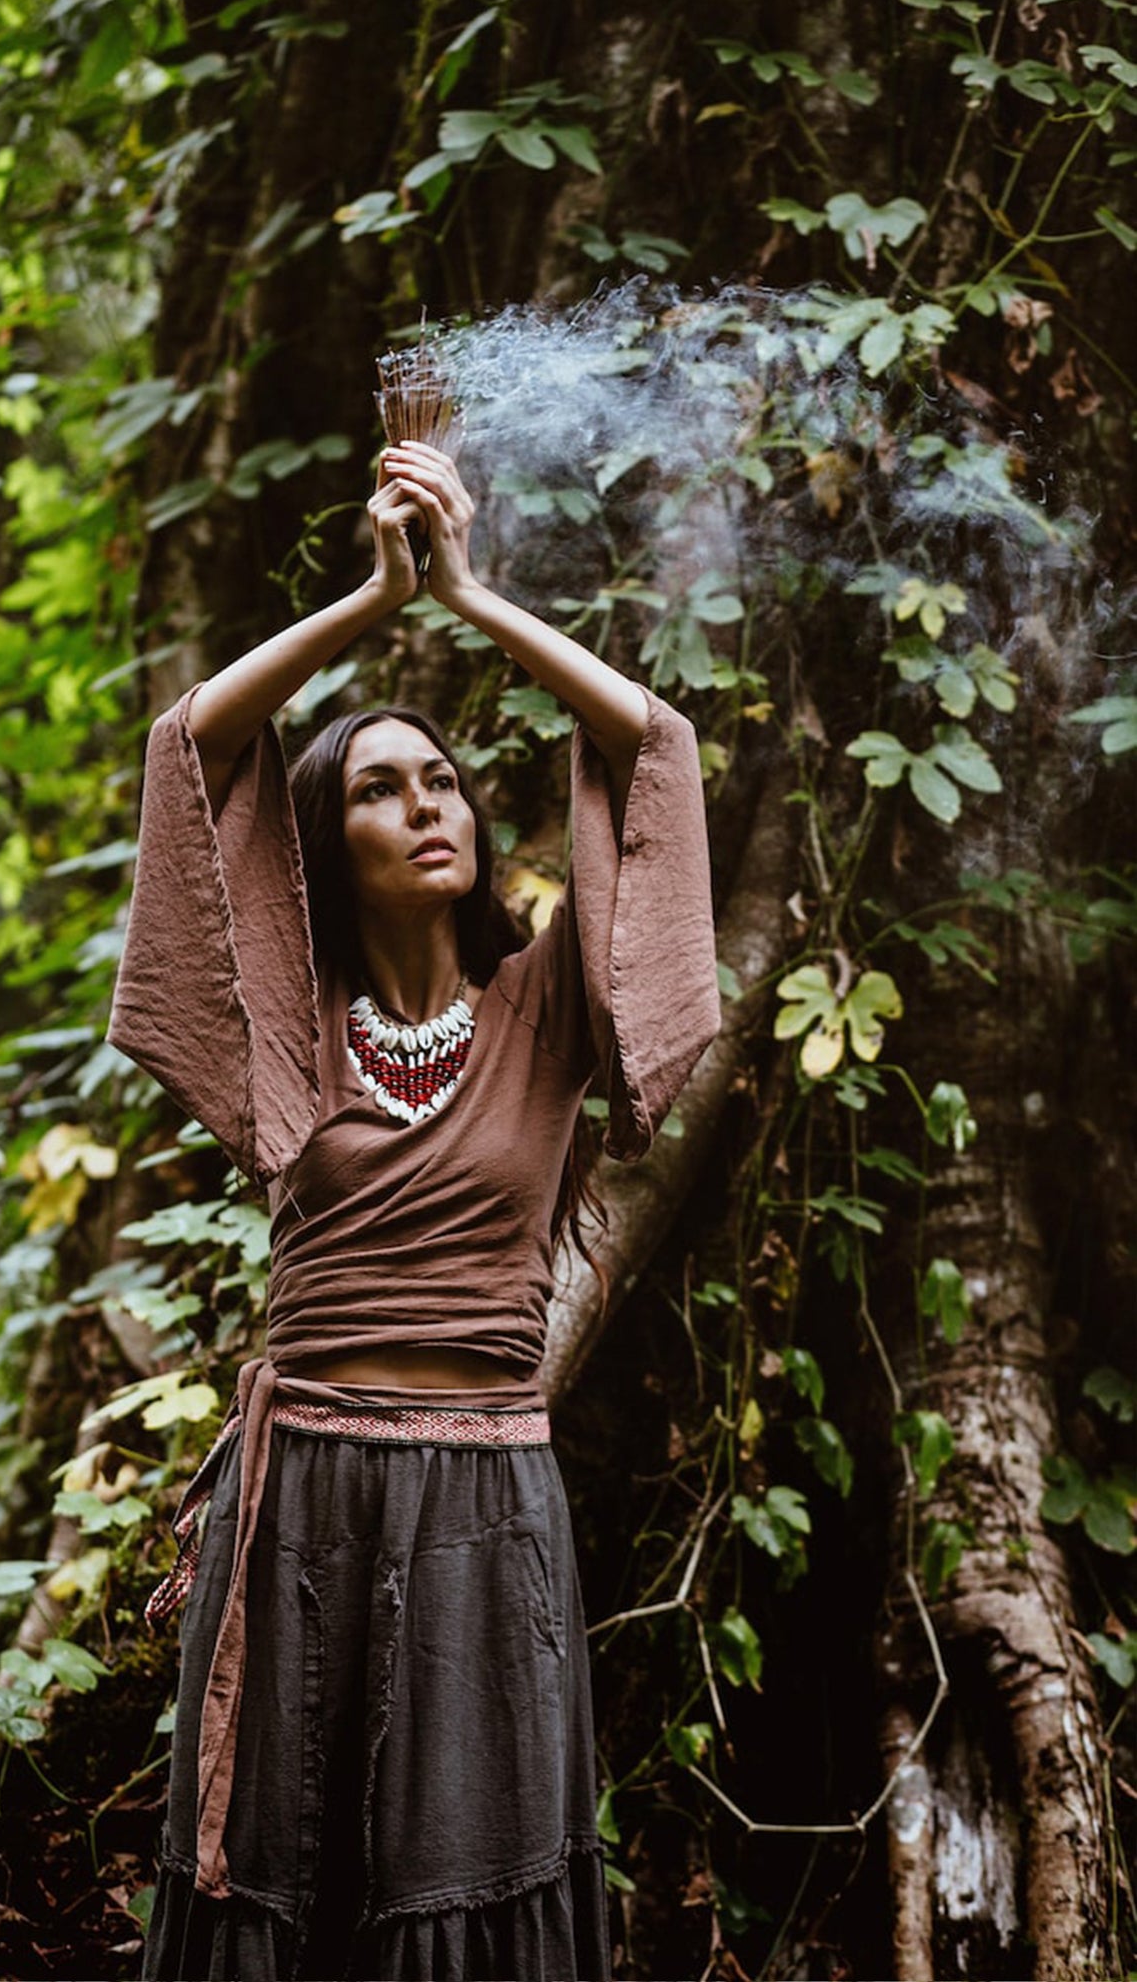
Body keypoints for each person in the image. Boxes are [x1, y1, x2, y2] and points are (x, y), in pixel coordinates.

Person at [108, 440, 721, 1981]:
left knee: (470, 1882)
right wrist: (370, 604)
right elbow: (189, 752)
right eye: (379, 788)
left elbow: (651, 753)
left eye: (440, 776)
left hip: (483, 1501)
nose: (425, 803)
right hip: (300, 1493)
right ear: (329, 844)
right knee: (278, 1881)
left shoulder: (547, 1010)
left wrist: (465, 594)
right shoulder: (282, 1017)